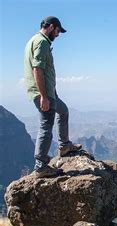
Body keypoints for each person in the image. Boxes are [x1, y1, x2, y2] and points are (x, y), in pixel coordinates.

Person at [24, 16, 81, 178]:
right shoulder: (41, 42)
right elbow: (37, 69)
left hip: (49, 92)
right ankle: (41, 166)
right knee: (46, 127)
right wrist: (43, 96)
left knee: (63, 111)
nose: (58, 35)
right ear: (50, 27)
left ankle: (64, 146)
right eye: (57, 31)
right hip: (43, 93)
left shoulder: (35, 41)